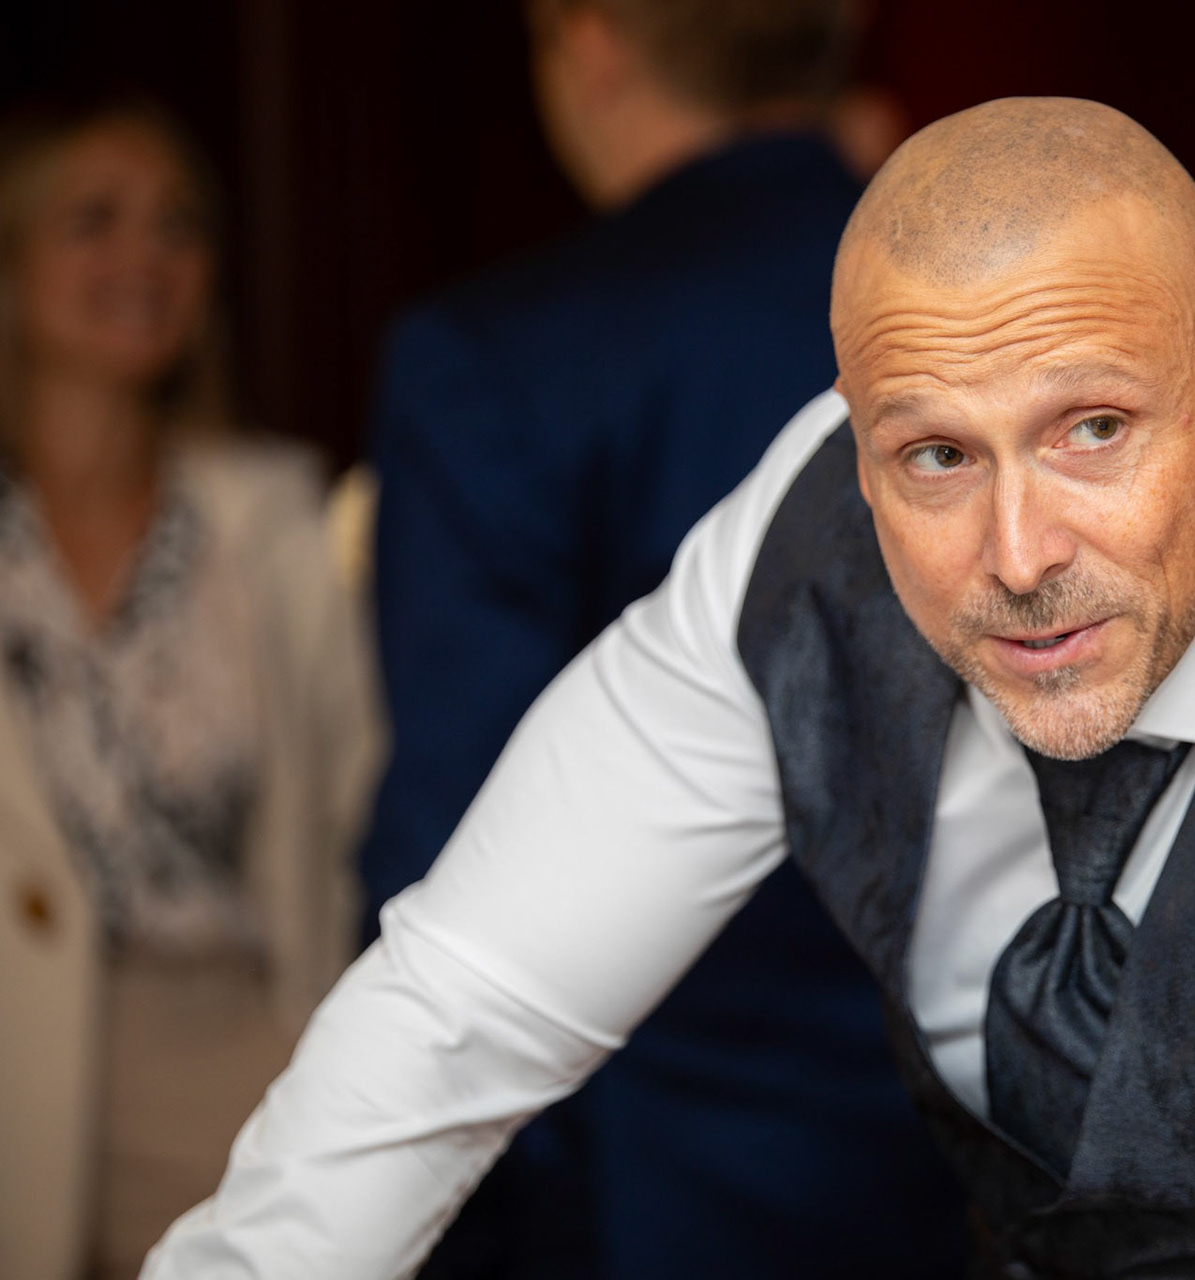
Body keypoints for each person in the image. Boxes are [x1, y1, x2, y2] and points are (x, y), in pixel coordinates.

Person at [148, 97, 1195, 1279]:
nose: (1018, 557)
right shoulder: (800, 553)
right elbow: (459, 1008)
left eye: (1093, 428)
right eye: (937, 456)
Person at [355, 1, 963, 1275]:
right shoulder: (1012, 311)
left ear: (592, 45)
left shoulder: (505, 360)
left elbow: (463, 869)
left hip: (655, 1188)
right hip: (1007, 1158)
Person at [0, 99, 382, 1280]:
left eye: (178, 226)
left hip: (240, 1068)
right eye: (95, 221)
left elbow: (361, 799)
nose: (144, 257)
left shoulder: (272, 519)